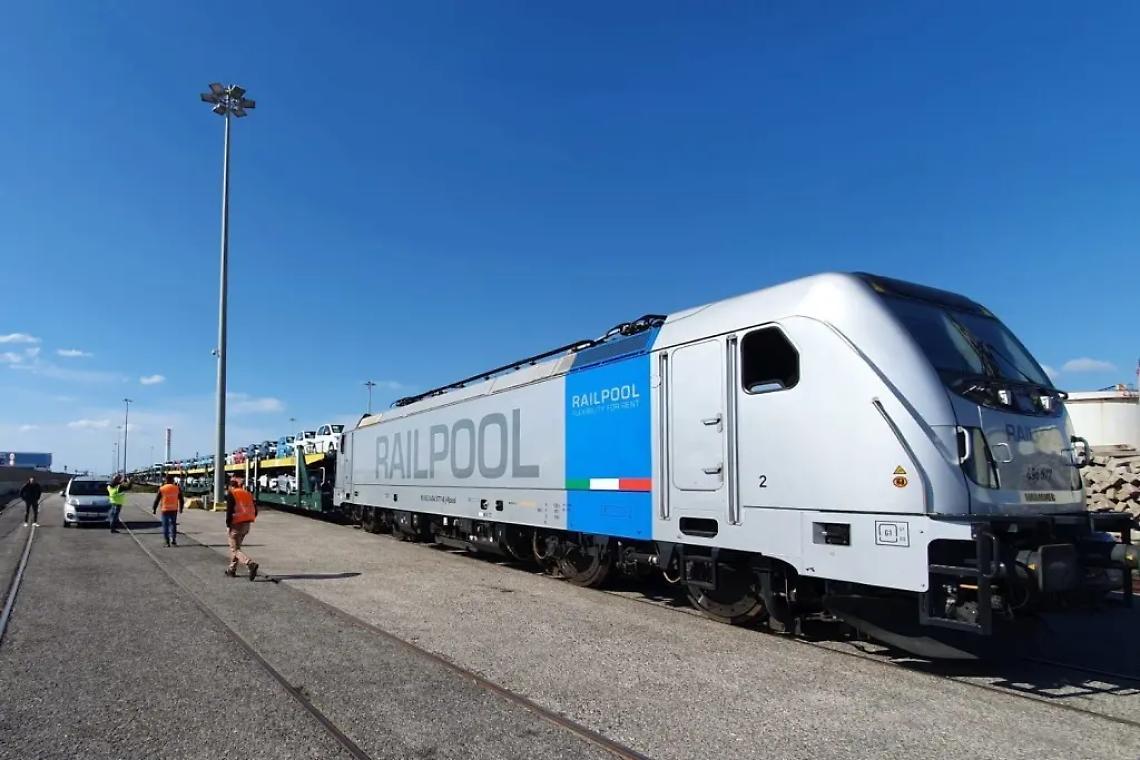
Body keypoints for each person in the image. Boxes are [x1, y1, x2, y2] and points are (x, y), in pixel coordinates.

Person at [224, 477, 259, 580]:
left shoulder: (232, 493)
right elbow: (255, 510)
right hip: (246, 524)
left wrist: (228, 525)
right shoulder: (247, 494)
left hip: (236, 524)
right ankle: (232, 570)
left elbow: (229, 511)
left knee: (234, 549)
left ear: (230, 486)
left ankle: (250, 564)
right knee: (237, 548)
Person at [152, 474, 184, 547]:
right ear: (172, 480)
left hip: (165, 509)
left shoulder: (162, 488)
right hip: (174, 509)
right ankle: (173, 541)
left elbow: (157, 500)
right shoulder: (177, 488)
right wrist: (181, 509)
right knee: (173, 525)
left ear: (165, 480)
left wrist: (154, 509)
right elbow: (181, 500)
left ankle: (167, 542)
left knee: (165, 526)